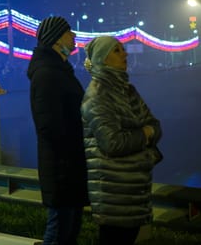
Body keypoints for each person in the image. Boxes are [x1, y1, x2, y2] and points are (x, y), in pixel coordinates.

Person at [81, 36, 163, 245]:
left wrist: (147, 133)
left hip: (133, 193)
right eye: (117, 51)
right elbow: (112, 143)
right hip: (114, 196)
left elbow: (154, 125)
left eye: (123, 49)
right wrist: (144, 134)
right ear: (102, 59)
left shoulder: (128, 91)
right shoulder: (98, 95)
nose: (125, 54)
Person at [26, 16, 88, 245]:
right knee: (59, 234)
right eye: (68, 32)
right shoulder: (47, 74)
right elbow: (48, 125)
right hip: (61, 167)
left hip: (70, 166)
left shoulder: (60, 70)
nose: (73, 36)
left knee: (69, 233)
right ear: (55, 39)